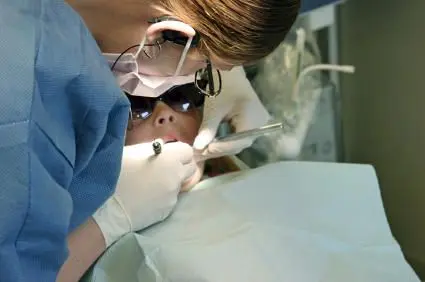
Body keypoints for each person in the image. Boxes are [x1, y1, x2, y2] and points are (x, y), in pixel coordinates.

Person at [0, 0, 300, 281]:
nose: (165, 111)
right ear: (168, 34)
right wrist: (109, 221)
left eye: (185, 96)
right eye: (202, 69)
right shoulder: (28, 115)